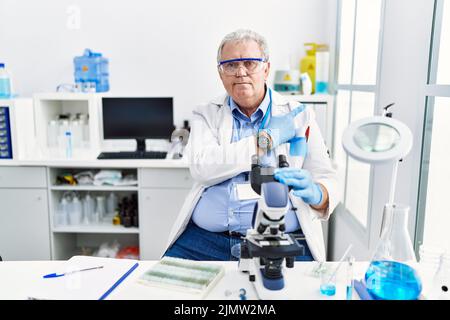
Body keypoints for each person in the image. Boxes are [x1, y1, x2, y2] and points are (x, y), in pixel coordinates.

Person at [163, 29, 339, 262]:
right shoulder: (206, 113)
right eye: (230, 65)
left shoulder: (299, 115)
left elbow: (326, 178)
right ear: (220, 73)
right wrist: (266, 140)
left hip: (280, 240)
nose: (240, 72)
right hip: (205, 241)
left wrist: (318, 194)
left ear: (266, 68)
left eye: (250, 63)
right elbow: (202, 168)